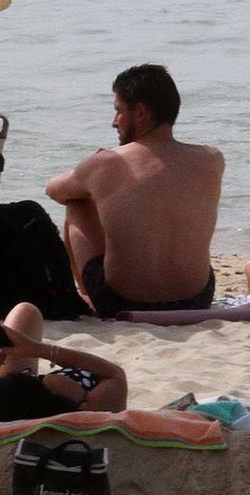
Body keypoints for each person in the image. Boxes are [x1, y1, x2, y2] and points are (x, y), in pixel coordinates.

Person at [46, 63, 223, 317]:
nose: (114, 122)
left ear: (140, 113)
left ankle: (87, 296)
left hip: (123, 301)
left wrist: (90, 173)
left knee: (76, 201)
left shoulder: (107, 162)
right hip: (197, 298)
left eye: (119, 112)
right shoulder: (212, 159)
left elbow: (54, 190)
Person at [0, 302, 128, 440]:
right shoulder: (89, 416)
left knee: (26, 311)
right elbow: (114, 373)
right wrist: (39, 349)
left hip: (10, 402)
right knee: (27, 312)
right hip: (20, 403)